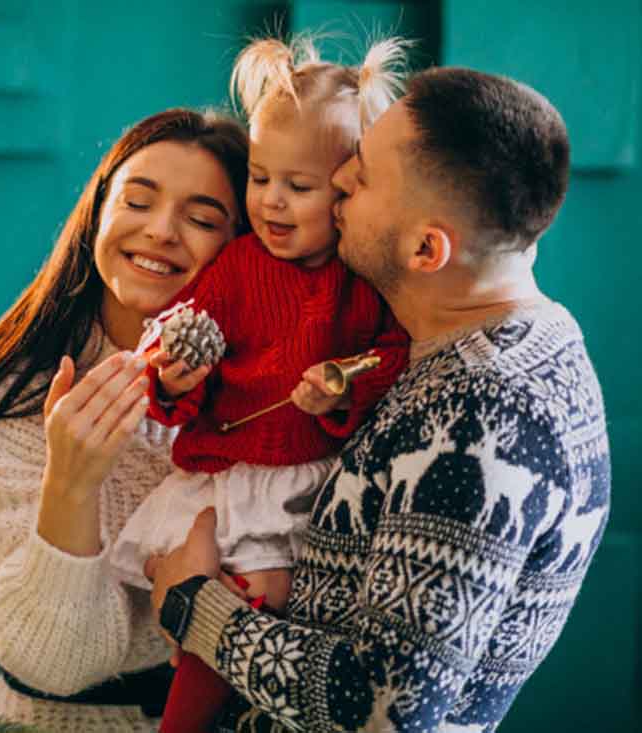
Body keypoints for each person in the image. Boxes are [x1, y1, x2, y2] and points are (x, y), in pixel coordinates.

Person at [145, 67, 611, 733]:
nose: (337, 182)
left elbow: (385, 709)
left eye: (360, 175)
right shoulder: (529, 339)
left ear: (427, 248)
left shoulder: (478, 419)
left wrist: (193, 604)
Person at [108, 36, 411, 733]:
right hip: (233, 475)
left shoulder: (362, 280)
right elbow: (180, 346)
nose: (271, 202)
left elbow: (393, 354)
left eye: (298, 187)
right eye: (260, 178)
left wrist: (344, 388)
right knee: (219, 608)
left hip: (311, 484)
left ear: (347, 189)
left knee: (270, 612)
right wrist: (175, 377)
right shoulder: (239, 266)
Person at [0, 108, 249, 731]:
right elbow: (52, 662)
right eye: (138, 201)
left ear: (243, 248)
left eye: (202, 219)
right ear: (98, 212)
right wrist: (71, 482)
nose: (161, 231)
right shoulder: (17, 395)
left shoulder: (264, 398)